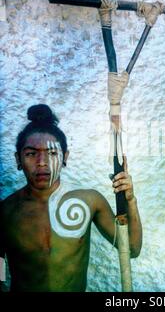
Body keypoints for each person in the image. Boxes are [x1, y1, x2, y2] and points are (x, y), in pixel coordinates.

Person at [0, 104, 142, 292]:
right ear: (18, 159)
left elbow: (131, 249)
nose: (42, 163)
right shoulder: (5, 212)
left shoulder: (90, 201)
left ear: (65, 157)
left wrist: (130, 200)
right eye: (31, 154)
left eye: (52, 153)